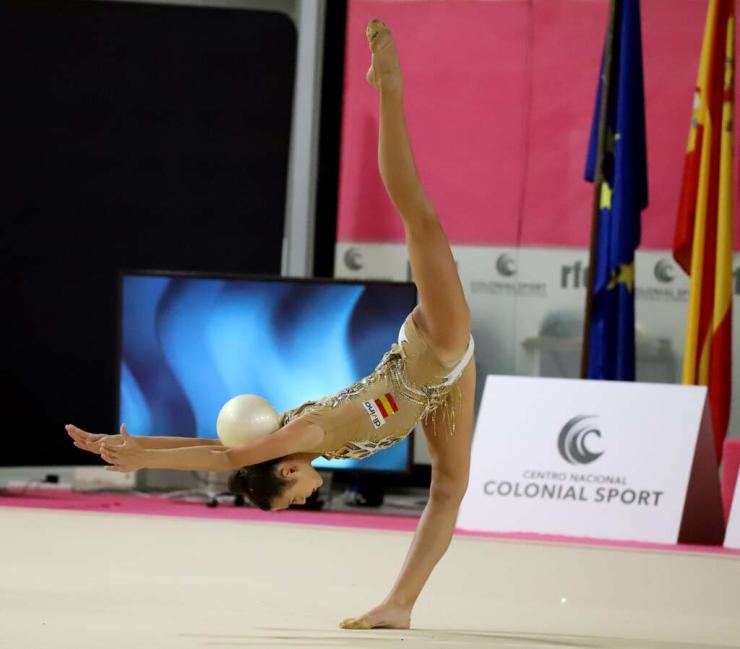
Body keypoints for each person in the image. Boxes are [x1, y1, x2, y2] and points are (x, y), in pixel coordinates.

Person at [66, 19, 476, 631]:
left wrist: (138, 452)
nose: (308, 497)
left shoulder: (304, 432)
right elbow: (224, 451)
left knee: (419, 217)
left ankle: (388, 88)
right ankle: (399, 604)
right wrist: (137, 446)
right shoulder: (297, 436)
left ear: (286, 470)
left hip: (435, 348)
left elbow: (225, 455)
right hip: (441, 382)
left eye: (294, 497)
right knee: (448, 487)